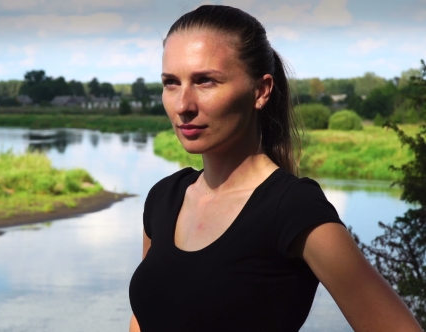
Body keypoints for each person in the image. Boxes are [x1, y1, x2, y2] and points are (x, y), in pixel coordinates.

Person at [128, 5, 422, 332]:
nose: (183, 105)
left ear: (261, 90)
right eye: (171, 83)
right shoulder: (164, 197)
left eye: (205, 81)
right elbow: (143, 319)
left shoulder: (292, 208)